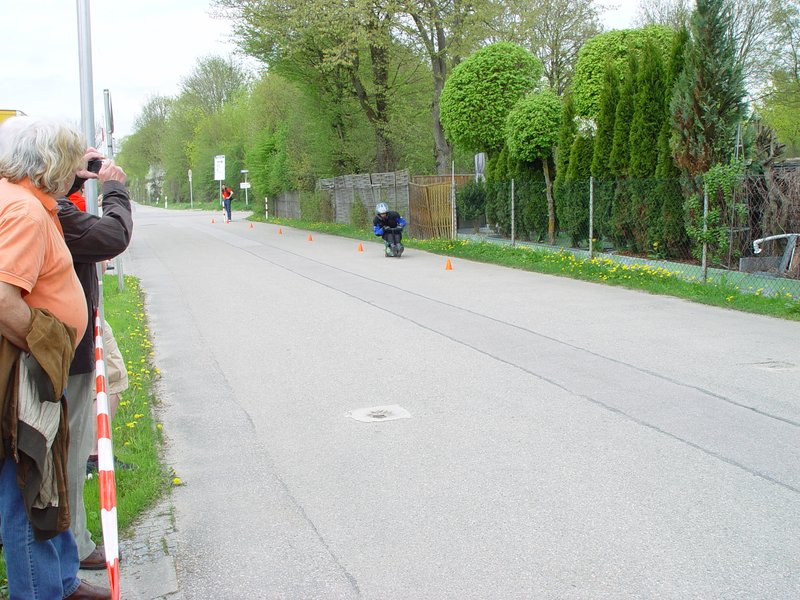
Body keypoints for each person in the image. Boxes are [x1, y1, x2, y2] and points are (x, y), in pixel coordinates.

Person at [0, 116, 111, 599]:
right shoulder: (24, 211)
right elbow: (4, 298)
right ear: (52, 163)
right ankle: (45, 591)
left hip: (37, 369)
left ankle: (61, 581)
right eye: (70, 162)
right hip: (29, 372)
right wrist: (47, 347)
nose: (74, 172)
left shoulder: (28, 203)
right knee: (31, 487)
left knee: (48, 479)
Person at [58, 159, 133, 570]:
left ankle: (73, 548)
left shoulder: (38, 200)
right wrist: (114, 191)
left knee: (110, 388)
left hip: (79, 326)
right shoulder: (41, 208)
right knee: (63, 457)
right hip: (64, 343)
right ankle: (71, 555)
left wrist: (75, 173)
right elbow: (112, 236)